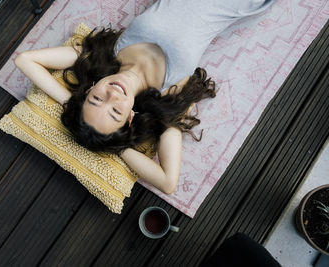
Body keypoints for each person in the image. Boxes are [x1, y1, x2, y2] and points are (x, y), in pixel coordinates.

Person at [14, 0, 274, 195]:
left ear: (89, 89)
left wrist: (70, 102)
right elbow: (167, 182)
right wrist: (117, 147)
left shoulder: (103, 56)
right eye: (115, 111)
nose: (112, 95)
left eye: (96, 99)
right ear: (129, 118)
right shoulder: (169, 98)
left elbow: (25, 60)